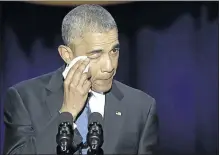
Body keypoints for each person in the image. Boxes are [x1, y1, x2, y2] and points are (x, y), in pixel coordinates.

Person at [3, 4, 158, 155]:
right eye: (96, 54)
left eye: (114, 51)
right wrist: (67, 113)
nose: (110, 66)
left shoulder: (142, 108)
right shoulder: (24, 98)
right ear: (67, 55)